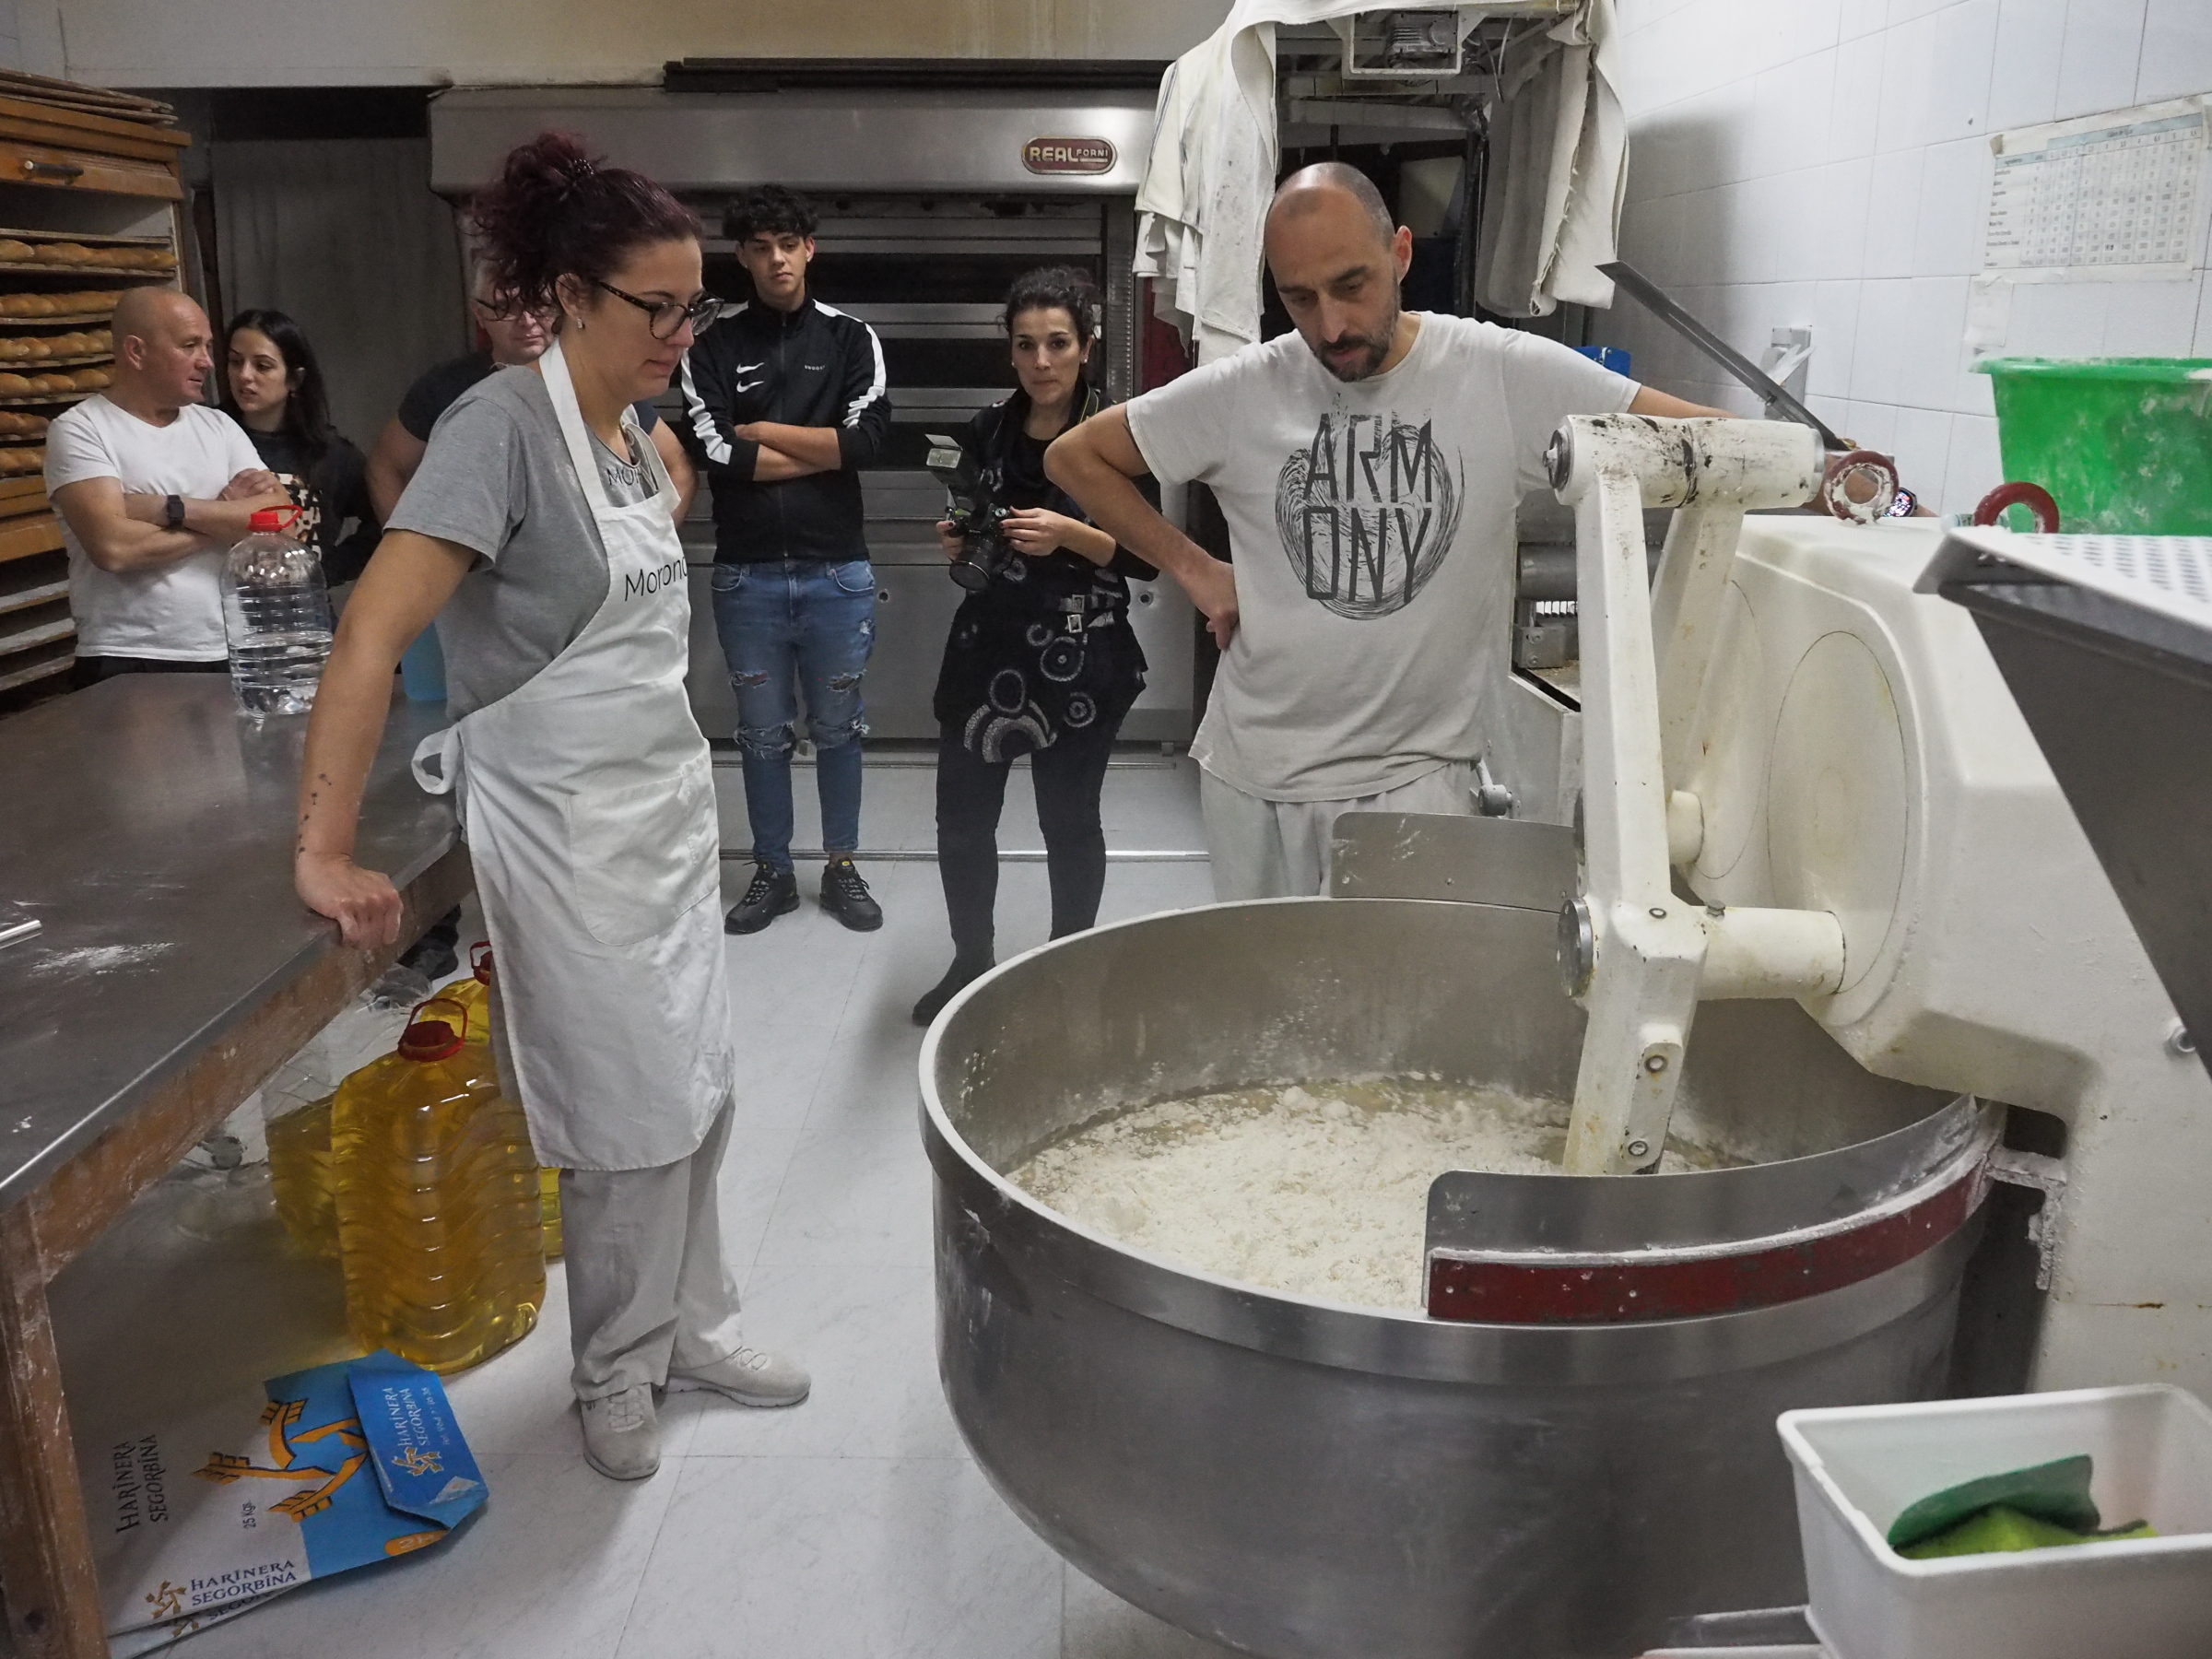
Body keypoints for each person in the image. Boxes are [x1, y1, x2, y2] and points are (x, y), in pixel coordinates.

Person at [293, 132, 806, 1485]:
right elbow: (371, 632)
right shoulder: (501, 430)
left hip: (658, 816)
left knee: (698, 1089)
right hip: (565, 833)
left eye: (693, 307)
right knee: (625, 1115)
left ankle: (690, 1331)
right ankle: (614, 1373)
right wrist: (324, 848)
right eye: (659, 309)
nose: (683, 335)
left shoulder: (629, 432)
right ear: (571, 296)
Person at [1048, 162, 1729, 900]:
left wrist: (1816, 472)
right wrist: (1196, 569)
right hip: (1254, 776)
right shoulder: (1244, 388)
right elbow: (1076, 457)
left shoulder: (1500, 374)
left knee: (1397, 976)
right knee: (1269, 976)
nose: (1330, 327)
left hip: (1415, 780)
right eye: (1298, 298)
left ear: (1400, 253)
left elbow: (1720, 447)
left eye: (1352, 285)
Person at [911, 267, 1155, 1026]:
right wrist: (959, 542)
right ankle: (970, 962)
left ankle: (1067, 967)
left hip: (1082, 658)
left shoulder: (1117, 435)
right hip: (987, 652)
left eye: (1057, 343)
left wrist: (1069, 534)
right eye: (1025, 345)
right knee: (961, 821)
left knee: (1069, 820)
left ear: (1087, 345)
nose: (1041, 361)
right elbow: (972, 524)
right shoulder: (986, 429)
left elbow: (1148, 557)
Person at [676, 182, 892, 936]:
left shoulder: (852, 339)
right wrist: (821, 450)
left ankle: (841, 866)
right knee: (762, 734)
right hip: (748, 577)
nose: (777, 260)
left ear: (810, 248)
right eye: (761, 248)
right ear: (742, 256)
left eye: (788, 245)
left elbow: (867, 443)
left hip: (839, 573)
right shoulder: (710, 346)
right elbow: (714, 451)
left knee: (840, 727)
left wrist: (763, 432)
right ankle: (773, 871)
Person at [47, 288, 293, 688]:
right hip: (130, 655)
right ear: (136, 351)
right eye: (189, 345)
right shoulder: (82, 430)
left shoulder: (219, 426)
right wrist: (225, 519)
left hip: (229, 650)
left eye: (207, 346)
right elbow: (115, 549)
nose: (207, 361)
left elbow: (281, 520)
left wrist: (169, 508)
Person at [366, 263, 696, 524]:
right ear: (479, 314)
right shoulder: (447, 387)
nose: (526, 321)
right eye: (505, 307)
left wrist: (652, 544)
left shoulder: (602, 382)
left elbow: (677, 467)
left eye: (539, 305)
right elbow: (384, 467)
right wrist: (415, 558)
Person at [220, 308, 381, 586]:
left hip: (303, 606)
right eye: (235, 362)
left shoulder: (331, 453)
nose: (244, 375)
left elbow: (383, 521)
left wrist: (324, 572)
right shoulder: (207, 434)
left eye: (262, 366)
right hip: (225, 602)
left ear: (295, 378)